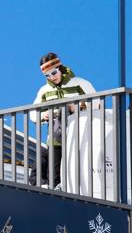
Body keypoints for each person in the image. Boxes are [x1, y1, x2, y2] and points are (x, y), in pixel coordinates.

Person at [29, 52, 96, 187]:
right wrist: (43, 115)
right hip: (55, 136)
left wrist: (77, 106)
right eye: (47, 75)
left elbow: (97, 103)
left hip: (80, 134)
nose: (51, 77)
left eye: (53, 73)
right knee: (54, 173)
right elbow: (32, 113)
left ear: (60, 68)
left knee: (77, 169)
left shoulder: (79, 83)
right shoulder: (44, 90)